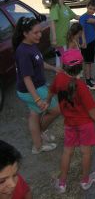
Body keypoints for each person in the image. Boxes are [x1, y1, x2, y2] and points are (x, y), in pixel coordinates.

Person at [47, 49, 95, 194]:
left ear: (65, 66)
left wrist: (46, 102)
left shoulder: (59, 78)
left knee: (67, 152)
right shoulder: (81, 87)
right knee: (86, 153)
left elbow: (51, 91)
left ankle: (62, 183)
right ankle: (85, 180)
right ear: (80, 67)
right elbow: (91, 111)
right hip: (85, 125)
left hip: (69, 123)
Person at [12, 17, 60, 154]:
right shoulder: (23, 52)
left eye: (40, 31)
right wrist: (38, 99)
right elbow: (27, 79)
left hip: (33, 88)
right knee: (57, 110)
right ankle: (40, 135)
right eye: (35, 32)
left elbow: (39, 62)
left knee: (34, 114)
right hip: (32, 89)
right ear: (25, 33)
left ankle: (37, 145)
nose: (39, 34)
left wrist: (53, 68)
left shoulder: (31, 44)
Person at [49, 0, 81, 66]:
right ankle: (59, 76)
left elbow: (76, 16)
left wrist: (88, 16)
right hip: (58, 39)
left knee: (61, 58)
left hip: (65, 37)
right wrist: (54, 37)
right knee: (61, 59)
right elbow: (52, 21)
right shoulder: (55, 7)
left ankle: (61, 75)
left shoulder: (65, 6)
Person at [79, 0, 95, 90]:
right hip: (86, 43)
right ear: (87, 7)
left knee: (90, 61)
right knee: (87, 62)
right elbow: (81, 30)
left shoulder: (93, 17)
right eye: (90, 8)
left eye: (94, 9)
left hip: (92, 42)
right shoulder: (83, 18)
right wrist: (83, 41)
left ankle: (90, 78)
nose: (92, 11)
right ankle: (87, 81)